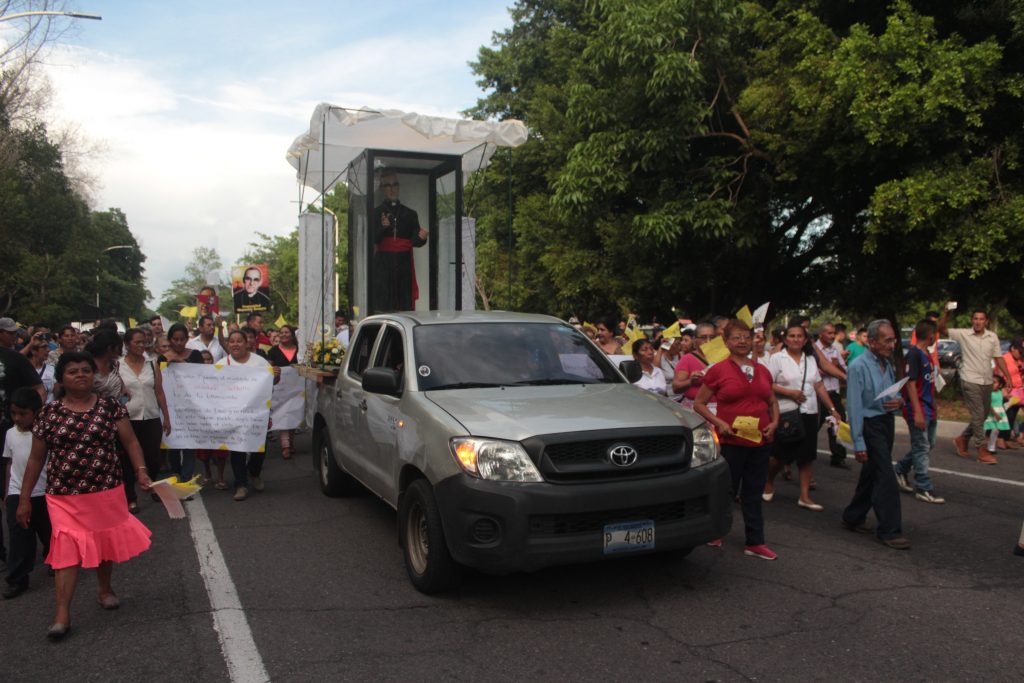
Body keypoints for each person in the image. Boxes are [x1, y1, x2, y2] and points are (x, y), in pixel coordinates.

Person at [16, 351, 153, 639]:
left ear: (93, 375)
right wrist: (24, 498)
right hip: (64, 496)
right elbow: (35, 460)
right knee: (66, 551)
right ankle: (62, 615)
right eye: (73, 371)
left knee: (102, 542)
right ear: (61, 379)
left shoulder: (110, 407)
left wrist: (141, 471)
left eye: (86, 370)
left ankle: (105, 589)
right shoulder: (49, 414)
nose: (80, 375)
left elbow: (130, 442)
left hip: (106, 490)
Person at [693, 320, 780, 560]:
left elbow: (772, 401)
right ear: (726, 342)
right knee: (726, 490)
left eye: (746, 337)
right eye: (736, 337)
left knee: (753, 492)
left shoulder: (762, 370)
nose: (742, 341)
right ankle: (716, 531)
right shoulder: (718, 370)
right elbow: (699, 403)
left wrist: (774, 422)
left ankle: (755, 541)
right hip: (731, 442)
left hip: (760, 442)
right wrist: (719, 423)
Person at [842, 319, 909, 550]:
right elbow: (854, 406)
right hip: (870, 426)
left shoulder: (886, 363)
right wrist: (859, 442)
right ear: (872, 341)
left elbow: (889, 393)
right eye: (887, 340)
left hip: (885, 422)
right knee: (886, 477)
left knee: (872, 473)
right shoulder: (858, 366)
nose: (892, 345)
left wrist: (898, 401)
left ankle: (853, 516)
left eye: (893, 340)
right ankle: (889, 530)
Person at [763, 323, 840, 511]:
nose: (796, 339)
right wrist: (789, 393)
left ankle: (804, 496)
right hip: (786, 412)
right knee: (780, 455)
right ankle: (768, 481)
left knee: (807, 456)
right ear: (785, 339)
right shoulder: (777, 359)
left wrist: (832, 408)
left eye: (800, 336)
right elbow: (766, 384)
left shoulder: (810, 359)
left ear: (805, 340)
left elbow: (819, 385)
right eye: (792, 336)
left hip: (809, 412)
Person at [940, 305, 1008, 464]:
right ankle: (981, 450)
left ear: (986, 321)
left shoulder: (992, 337)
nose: (978, 322)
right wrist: (946, 313)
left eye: (981, 319)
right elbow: (942, 329)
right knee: (978, 415)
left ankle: (963, 438)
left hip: (987, 381)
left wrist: (1008, 377)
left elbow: (998, 357)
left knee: (982, 415)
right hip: (970, 379)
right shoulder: (964, 334)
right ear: (972, 320)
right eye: (975, 319)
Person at [3, 388, 52, 599]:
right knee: (19, 537)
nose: (17, 418)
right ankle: (17, 579)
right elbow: (10, 463)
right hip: (17, 492)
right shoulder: (10, 434)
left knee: (50, 532)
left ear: (37, 412)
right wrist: (8, 491)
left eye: (23, 413)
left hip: (45, 492)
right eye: (14, 413)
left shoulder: (46, 433)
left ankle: (55, 560)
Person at [119, 329, 171, 511]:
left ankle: (153, 485)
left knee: (153, 456)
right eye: (137, 342)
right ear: (127, 344)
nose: (141, 346)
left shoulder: (152, 363)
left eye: (143, 342)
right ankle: (130, 496)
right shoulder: (118, 365)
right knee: (127, 459)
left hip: (151, 415)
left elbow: (159, 391)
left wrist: (166, 416)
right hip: (127, 418)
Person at [224, 330, 279, 501]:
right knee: (237, 449)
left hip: (257, 414)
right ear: (228, 344)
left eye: (239, 341)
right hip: (233, 414)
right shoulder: (221, 364)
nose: (235, 344)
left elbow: (271, 383)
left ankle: (254, 473)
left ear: (246, 343)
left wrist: (276, 376)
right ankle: (241, 484)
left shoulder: (259, 362)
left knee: (259, 447)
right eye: (232, 341)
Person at [894, 319, 944, 504]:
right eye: (935, 335)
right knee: (922, 447)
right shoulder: (914, 354)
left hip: (929, 408)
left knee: (927, 444)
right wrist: (917, 412)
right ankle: (923, 486)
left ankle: (900, 469)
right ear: (931, 336)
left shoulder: (926, 354)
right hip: (919, 408)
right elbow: (911, 384)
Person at [372, 170, 428, 312]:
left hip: (404, 265)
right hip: (384, 265)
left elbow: (414, 241)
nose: (392, 189)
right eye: (388, 185)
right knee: (384, 303)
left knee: (404, 304)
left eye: (395, 184)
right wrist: (383, 228)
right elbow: (373, 240)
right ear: (382, 188)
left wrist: (422, 238)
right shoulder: (376, 213)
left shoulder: (410, 214)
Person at [815, 322, 849, 469]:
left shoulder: (835, 350)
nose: (832, 336)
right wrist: (829, 368)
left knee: (839, 424)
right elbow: (816, 371)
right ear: (821, 334)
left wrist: (837, 366)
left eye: (833, 333)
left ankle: (838, 457)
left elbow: (844, 370)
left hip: (833, 393)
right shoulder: (813, 349)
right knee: (813, 426)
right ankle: (802, 455)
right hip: (818, 394)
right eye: (829, 333)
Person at [268, 324, 299, 459]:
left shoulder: (300, 350)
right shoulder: (273, 351)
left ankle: (291, 443)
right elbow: (269, 367)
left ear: (292, 335)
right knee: (283, 414)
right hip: (280, 388)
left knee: (294, 413)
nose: (284, 334)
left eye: (287, 332)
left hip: (297, 389)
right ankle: (285, 446)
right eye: (281, 332)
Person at [672, 322, 715, 407]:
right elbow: (676, 387)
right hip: (695, 409)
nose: (708, 341)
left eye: (712, 337)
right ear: (695, 340)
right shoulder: (687, 359)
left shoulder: (723, 357)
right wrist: (690, 381)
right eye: (703, 337)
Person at [997, 338, 1023, 448]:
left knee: (1012, 416)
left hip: (1017, 392)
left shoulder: (1019, 360)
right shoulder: (1005, 359)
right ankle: (1000, 438)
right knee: (1007, 415)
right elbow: (999, 375)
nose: (1021, 354)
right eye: (1020, 351)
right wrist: (1003, 389)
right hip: (1007, 391)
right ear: (1013, 348)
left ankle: (1006, 438)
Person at [983, 375, 1010, 455]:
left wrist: (1008, 398)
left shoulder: (1000, 392)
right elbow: (989, 405)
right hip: (991, 413)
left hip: (999, 413)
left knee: (996, 430)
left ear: (1000, 385)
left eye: (994, 382)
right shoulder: (989, 393)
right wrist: (995, 414)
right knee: (988, 429)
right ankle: (984, 445)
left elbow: (1002, 401)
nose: (992, 384)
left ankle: (991, 447)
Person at [27, 335, 56, 403]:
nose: (48, 350)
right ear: (33, 350)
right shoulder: (23, 370)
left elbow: (57, 393)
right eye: (44, 347)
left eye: (48, 346)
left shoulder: (52, 369)